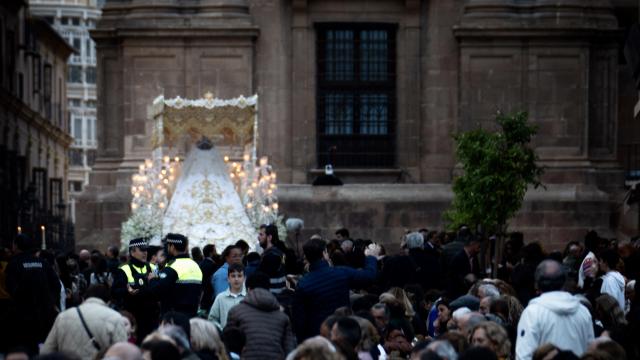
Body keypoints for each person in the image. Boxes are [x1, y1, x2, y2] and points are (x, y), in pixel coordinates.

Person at [293, 238, 380, 341]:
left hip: (317, 338)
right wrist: (371, 257)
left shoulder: (303, 283)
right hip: (342, 333)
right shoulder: (341, 272)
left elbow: (299, 321)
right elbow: (369, 276)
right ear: (324, 253)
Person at [515, 260, 594, 359]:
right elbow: (591, 351)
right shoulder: (583, 311)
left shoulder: (532, 313)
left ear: (537, 284)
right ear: (564, 282)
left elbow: (523, 355)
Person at [4, 234, 60, 355]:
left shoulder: (14, 263)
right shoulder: (42, 263)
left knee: (25, 348)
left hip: (22, 316)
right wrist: (50, 302)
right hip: (44, 314)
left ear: (16, 246)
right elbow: (56, 284)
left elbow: (10, 287)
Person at [41, 284, 127, 359]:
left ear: (83, 298)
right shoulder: (115, 318)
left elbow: (46, 351)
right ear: (108, 302)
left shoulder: (63, 317)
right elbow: (123, 354)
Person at [225, 272, 296, 360]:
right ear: (269, 289)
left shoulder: (236, 312)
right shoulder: (283, 316)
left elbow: (229, 348)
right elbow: (289, 350)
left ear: (249, 289)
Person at [142, 233, 203, 317]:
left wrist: (152, 279)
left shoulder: (173, 267)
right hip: (192, 315)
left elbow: (157, 292)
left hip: (173, 317)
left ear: (172, 247)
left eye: (167, 246)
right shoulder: (195, 265)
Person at [112, 238, 158, 341]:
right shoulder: (124, 269)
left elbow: (159, 291)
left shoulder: (153, 268)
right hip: (133, 318)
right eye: (141, 250)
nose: (145, 253)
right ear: (132, 251)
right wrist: (127, 292)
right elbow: (114, 292)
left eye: (146, 250)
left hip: (151, 318)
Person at [208, 263, 246, 330]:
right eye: (233, 276)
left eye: (239, 276)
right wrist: (222, 330)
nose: (236, 279)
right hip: (226, 338)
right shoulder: (220, 298)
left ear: (244, 278)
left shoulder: (249, 297)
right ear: (228, 279)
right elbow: (212, 319)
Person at [448, 233, 482, 298]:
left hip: (471, 293)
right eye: (478, 246)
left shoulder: (474, 257)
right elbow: (453, 277)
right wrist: (465, 278)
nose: (479, 249)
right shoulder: (458, 258)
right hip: (459, 294)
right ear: (472, 244)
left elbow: (476, 272)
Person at [257, 224, 287, 295]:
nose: (258, 237)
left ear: (269, 237)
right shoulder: (274, 253)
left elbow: (262, 278)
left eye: (261, 235)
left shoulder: (272, 256)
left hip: (272, 298)